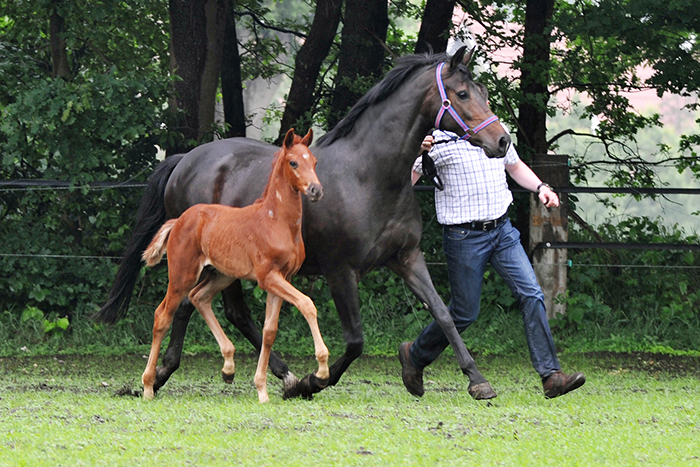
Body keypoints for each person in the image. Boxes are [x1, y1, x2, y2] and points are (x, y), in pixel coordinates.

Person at [400, 129, 585, 399]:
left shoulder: (493, 131)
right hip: (463, 236)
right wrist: (415, 152)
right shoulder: (436, 141)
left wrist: (542, 187)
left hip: (502, 231)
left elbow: (514, 165)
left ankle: (551, 376)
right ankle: (414, 355)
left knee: (531, 294)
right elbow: (403, 184)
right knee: (464, 313)